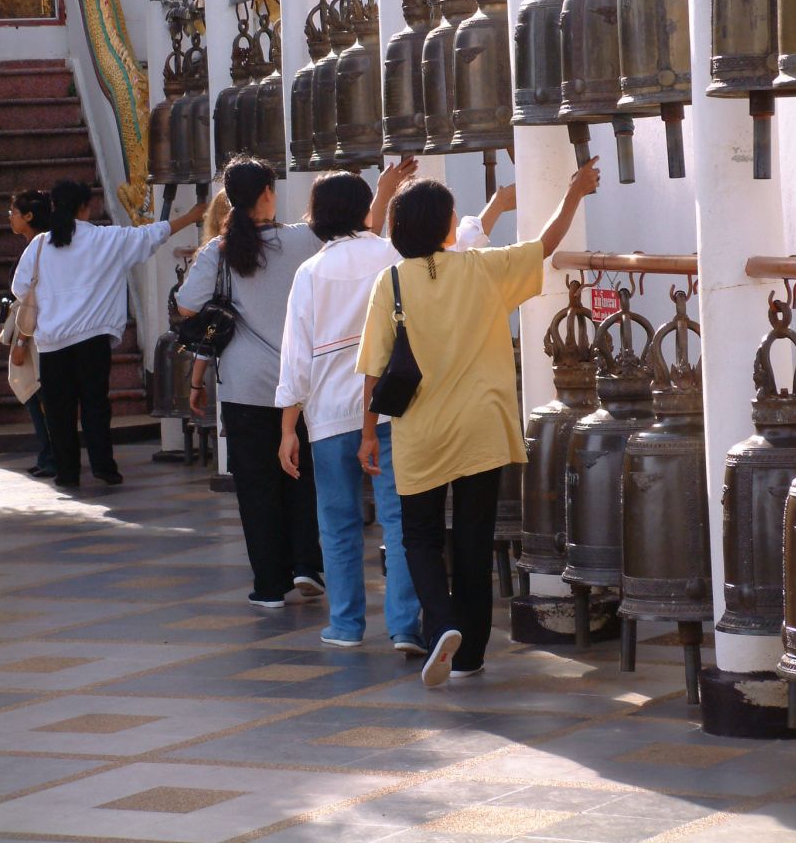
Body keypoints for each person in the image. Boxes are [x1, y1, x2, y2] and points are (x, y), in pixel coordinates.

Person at [356, 157, 600, 687]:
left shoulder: (390, 284)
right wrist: (575, 192)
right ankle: (469, 656)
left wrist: (369, 433)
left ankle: (440, 623)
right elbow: (545, 245)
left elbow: (375, 371)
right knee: (472, 538)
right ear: (445, 226)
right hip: (483, 428)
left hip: (422, 430)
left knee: (419, 537)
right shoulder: (482, 269)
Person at [277, 169, 514, 651]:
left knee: (337, 521)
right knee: (400, 523)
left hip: (327, 415)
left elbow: (295, 357)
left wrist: (287, 427)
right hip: (389, 410)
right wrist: (494, 207)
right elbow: (461, 246)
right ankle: (405, 626)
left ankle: (345, 624)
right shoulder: (391, 255)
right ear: (367, 208)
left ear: (318, 217)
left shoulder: (310, 273)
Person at [182, 155, 415, 612]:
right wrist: (384, 187)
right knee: (304, 476)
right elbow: (360, 233)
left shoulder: (219, 251)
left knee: (256, 486)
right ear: (268, 193)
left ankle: (269, 585)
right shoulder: (302, 241)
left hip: (245, 386)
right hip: (302, 387)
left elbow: (189, 307)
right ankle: (308, 565)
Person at [12, 180, 205, 490]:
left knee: (59, 413)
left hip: (52, 343)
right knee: (95, 405)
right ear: (85, 208)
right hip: (92, 340)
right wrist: (194, 214)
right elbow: (152, 235)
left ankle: (67, 472)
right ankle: (104, 466)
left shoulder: (38, 246)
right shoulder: (106, 239)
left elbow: (20, 289)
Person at [0, 190, 54, 478]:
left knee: (38, 396)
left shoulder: (39, 249)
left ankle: (52, 455)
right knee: (36, 397)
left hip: (34, 333)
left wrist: (21, 339)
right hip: (30, 330)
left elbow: (32, 298)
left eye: (14, 212)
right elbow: (14, 296)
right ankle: (49, 454)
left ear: (28, 216)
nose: (10, 217)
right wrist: (1, 324)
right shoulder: (33, 247)